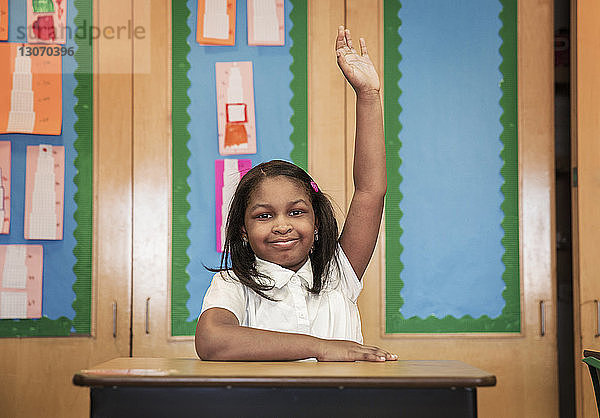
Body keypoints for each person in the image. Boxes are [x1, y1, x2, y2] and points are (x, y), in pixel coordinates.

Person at [195, 26, 395, 362]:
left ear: (316, 222)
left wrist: (368, 96)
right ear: (242, 230)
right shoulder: (234, 284)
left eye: (296, 211)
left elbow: (370, 190)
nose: (282, 225)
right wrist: (320, 346)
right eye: (264, 215)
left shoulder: (339, 273)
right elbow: (212, 340)